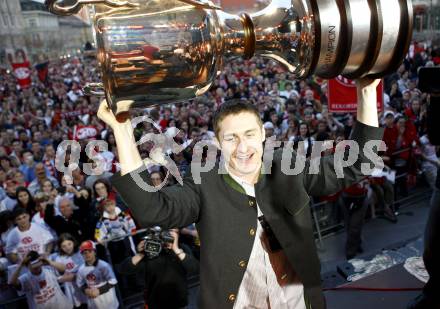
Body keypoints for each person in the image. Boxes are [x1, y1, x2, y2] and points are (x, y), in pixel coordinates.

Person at [99, 77, 384, 309]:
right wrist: (122, 129)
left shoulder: (289, 167)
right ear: (218, 142)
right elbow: (152, 210)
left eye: (249, 134)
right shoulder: (203, 182)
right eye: (231, 138)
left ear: (262, 133)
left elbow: (359, 164)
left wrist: (367, 92)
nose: (243, 147)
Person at [117, 228, 199, 309]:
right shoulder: (149, 253)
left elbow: (195, 268)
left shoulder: (182, 249)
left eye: (170, 232)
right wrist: (141, 254)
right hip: (156, 303)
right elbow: (123, 269)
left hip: (179, 301)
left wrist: (176, 250)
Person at [9, 250, 73, 309]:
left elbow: (63, 268)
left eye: (37, 262)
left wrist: (49, 262)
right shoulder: (25, 278)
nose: (35, 266)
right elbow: (12, 283)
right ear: (27, 266)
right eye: (32, 264)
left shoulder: (49, 269)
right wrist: (21, 265)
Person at [76, 240, 119, 309]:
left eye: (90, 251)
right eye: (84, 253)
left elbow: (113, 281)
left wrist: (99, 290)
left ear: (95, 252)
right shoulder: (81, 269)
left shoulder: (104, 266)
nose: (87, 254)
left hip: (108, 299)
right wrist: (86, 290)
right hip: (94, 301)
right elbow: (80, 283)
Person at [50, 233, 87, 308]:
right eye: (64, 246)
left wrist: (75, 276)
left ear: (74, 242)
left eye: (69, 244)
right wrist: (63, 278)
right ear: (60, 248)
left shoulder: (81, 253)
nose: (67, 247)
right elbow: (58, 277)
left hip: (85, 286)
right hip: (71, 289)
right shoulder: (59, 258)